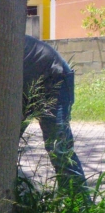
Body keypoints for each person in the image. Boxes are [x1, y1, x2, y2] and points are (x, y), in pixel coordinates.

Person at [23, 35, 86, 187]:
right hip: (26, 86)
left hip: (54, 77)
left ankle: (77, 199)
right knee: (7, 144)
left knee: (59, 148)